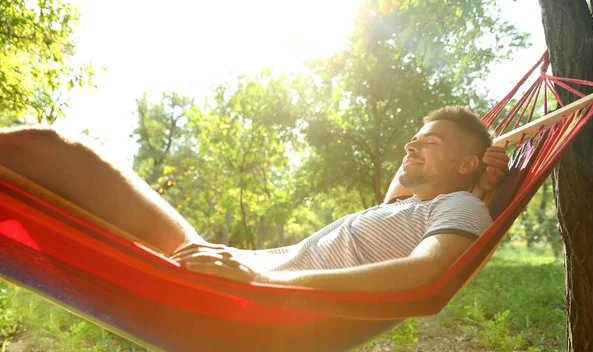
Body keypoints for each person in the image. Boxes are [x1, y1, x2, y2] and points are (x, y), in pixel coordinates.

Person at [0, 106, 508, 292]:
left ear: (464, 165)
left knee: (52, 151)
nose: (409, 145)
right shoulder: (401, 207)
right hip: (236, 267)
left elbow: (425, 273)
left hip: (241, 286)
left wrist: (262, 280)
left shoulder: (460, 209)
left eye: (429, 141)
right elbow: (405, 182)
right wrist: (476, 174)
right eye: (413, 138)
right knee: (42, 156)